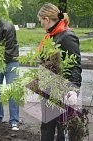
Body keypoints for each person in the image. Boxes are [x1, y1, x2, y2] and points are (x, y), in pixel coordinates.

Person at [37, 3, 82, 141]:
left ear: (46, 19)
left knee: (62, 131)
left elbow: (75, 65)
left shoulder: (66, 36)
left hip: (62, 91)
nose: (40, 24)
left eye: (40, 21)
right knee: (46, 127)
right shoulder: (51, 36)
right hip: (49, 89)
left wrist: (73, 89)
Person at [0, 19, 20, 131]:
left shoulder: (7, 26)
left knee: (12, 91)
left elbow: (10, 49)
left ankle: (14, 121)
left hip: (11, 61)